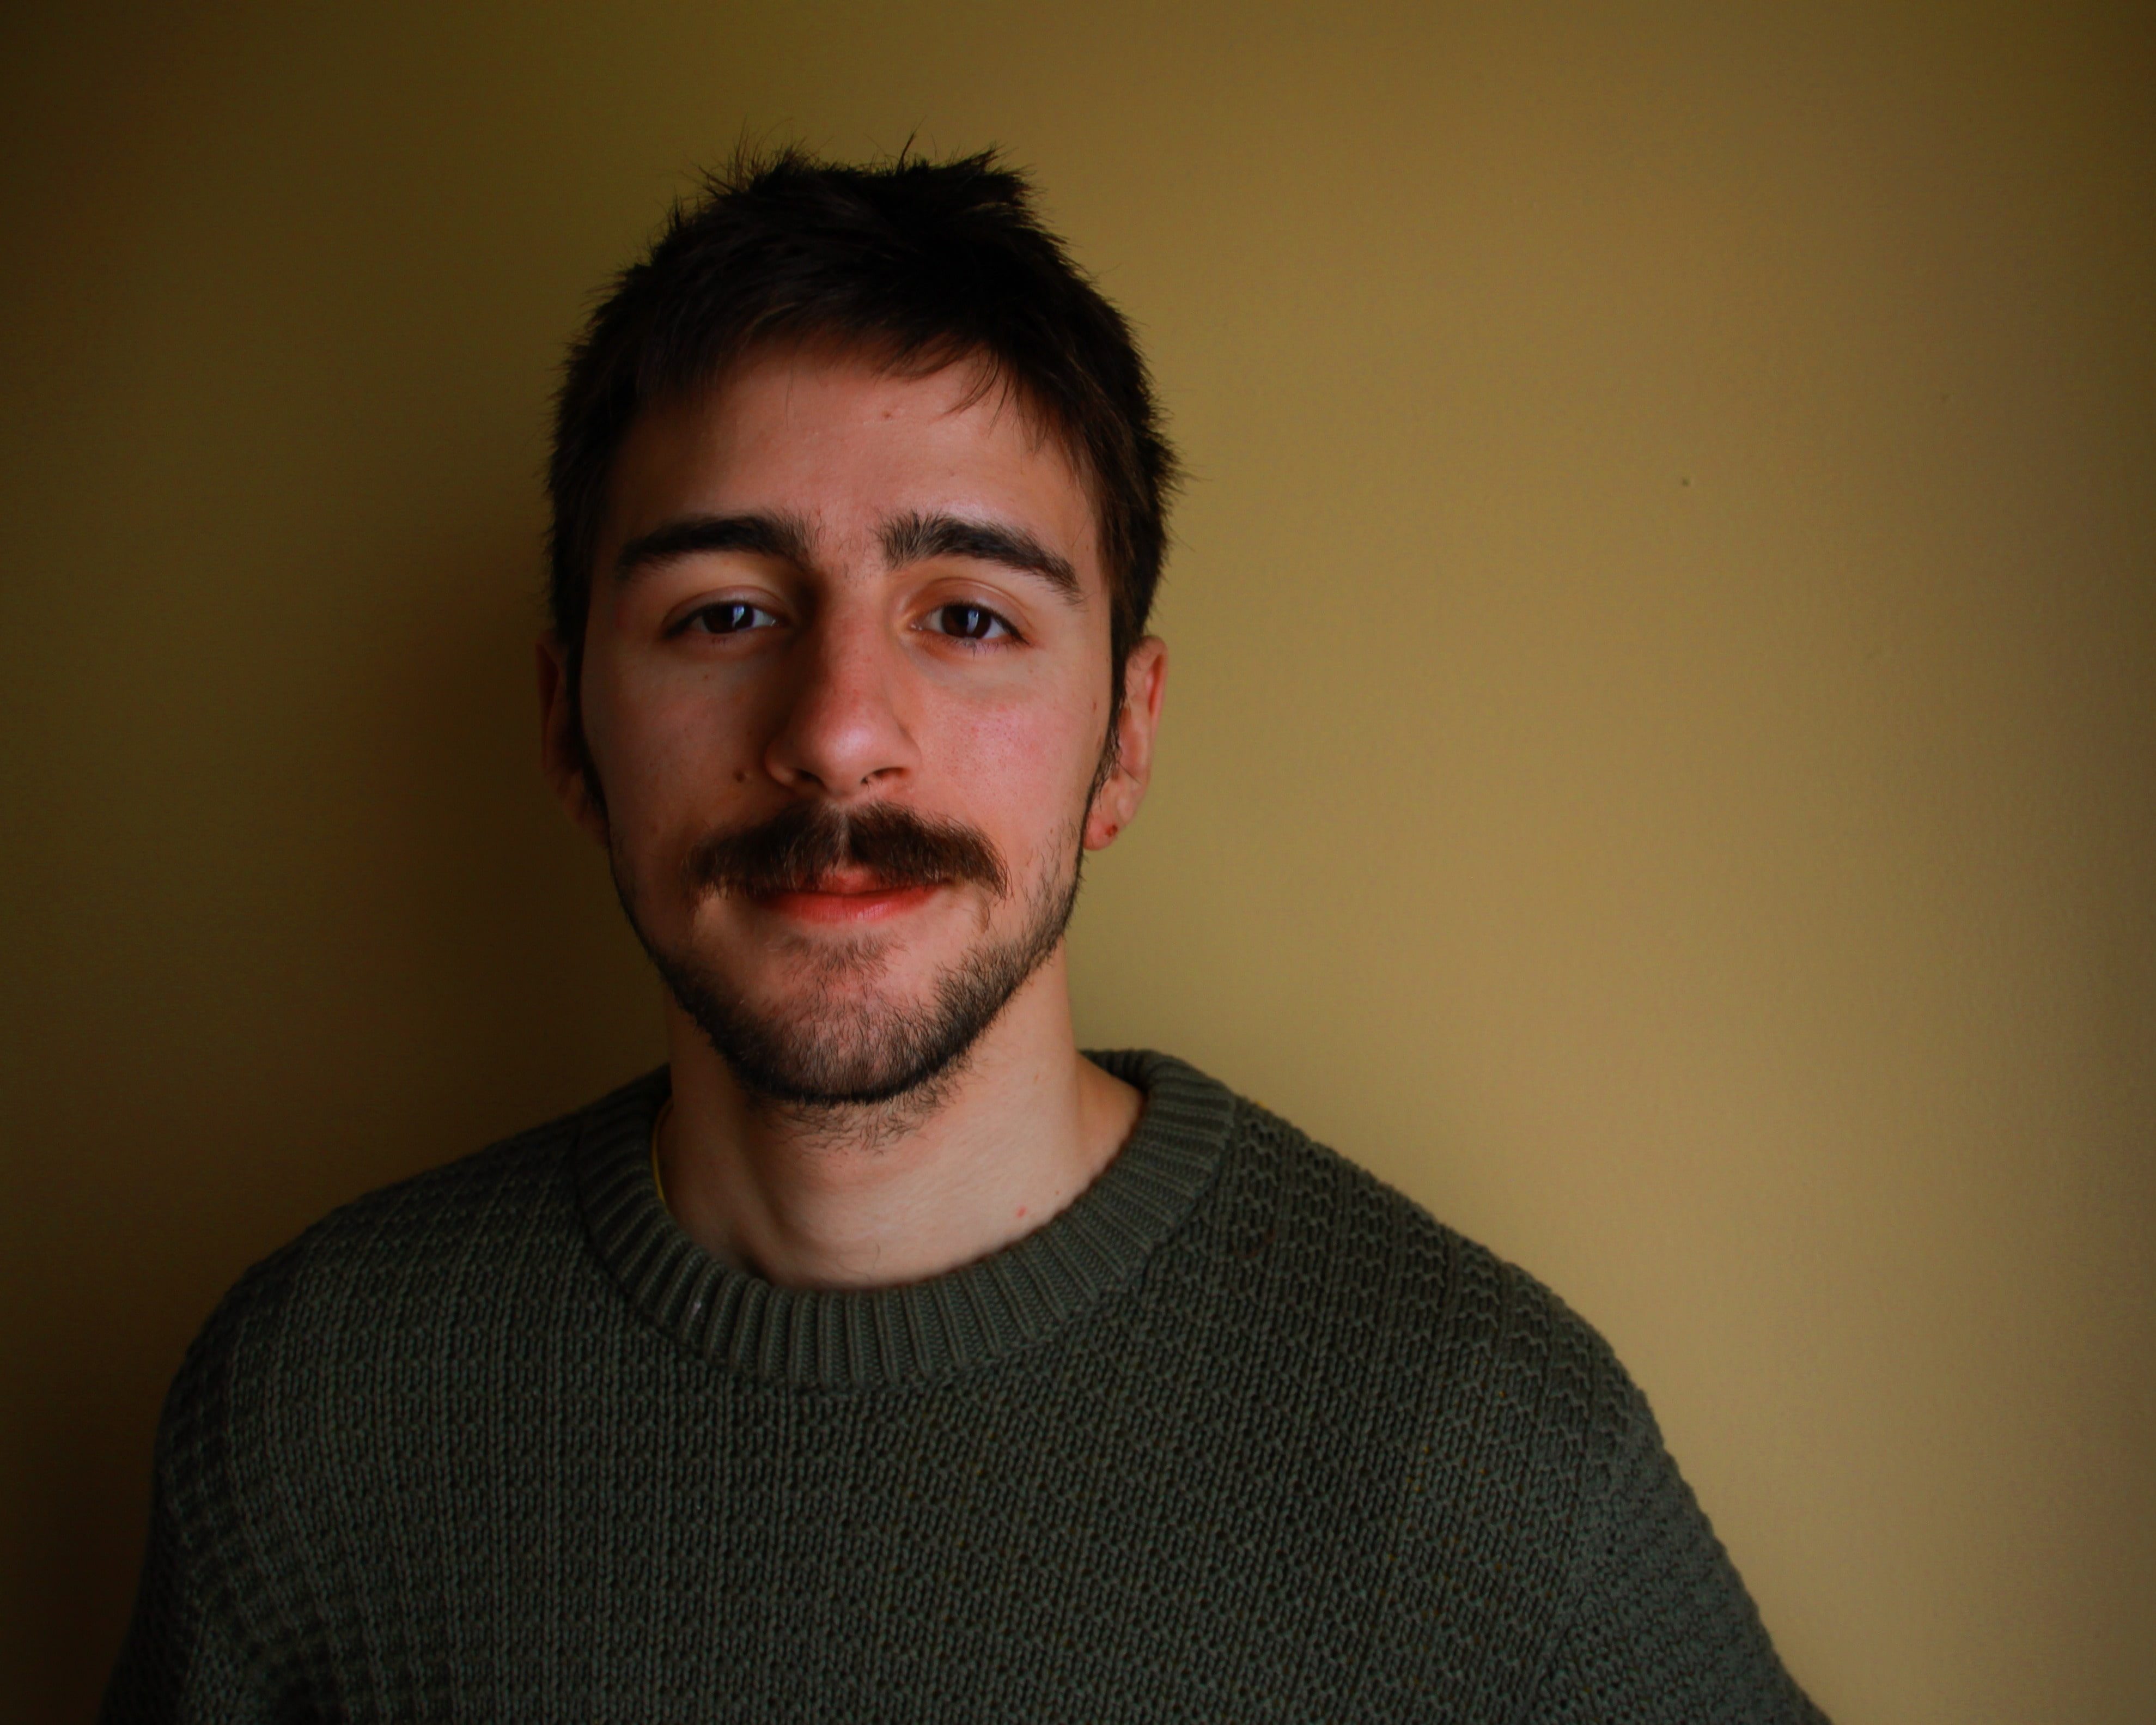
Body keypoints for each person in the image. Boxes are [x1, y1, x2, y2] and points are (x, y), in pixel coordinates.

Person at [103, 149, 1825, 1722]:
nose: (842, 729)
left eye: (972, 617)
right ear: (568, 727)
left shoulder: (1486, 1455)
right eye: (725, 612)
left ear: (1124, 739)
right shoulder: (310, 1420)